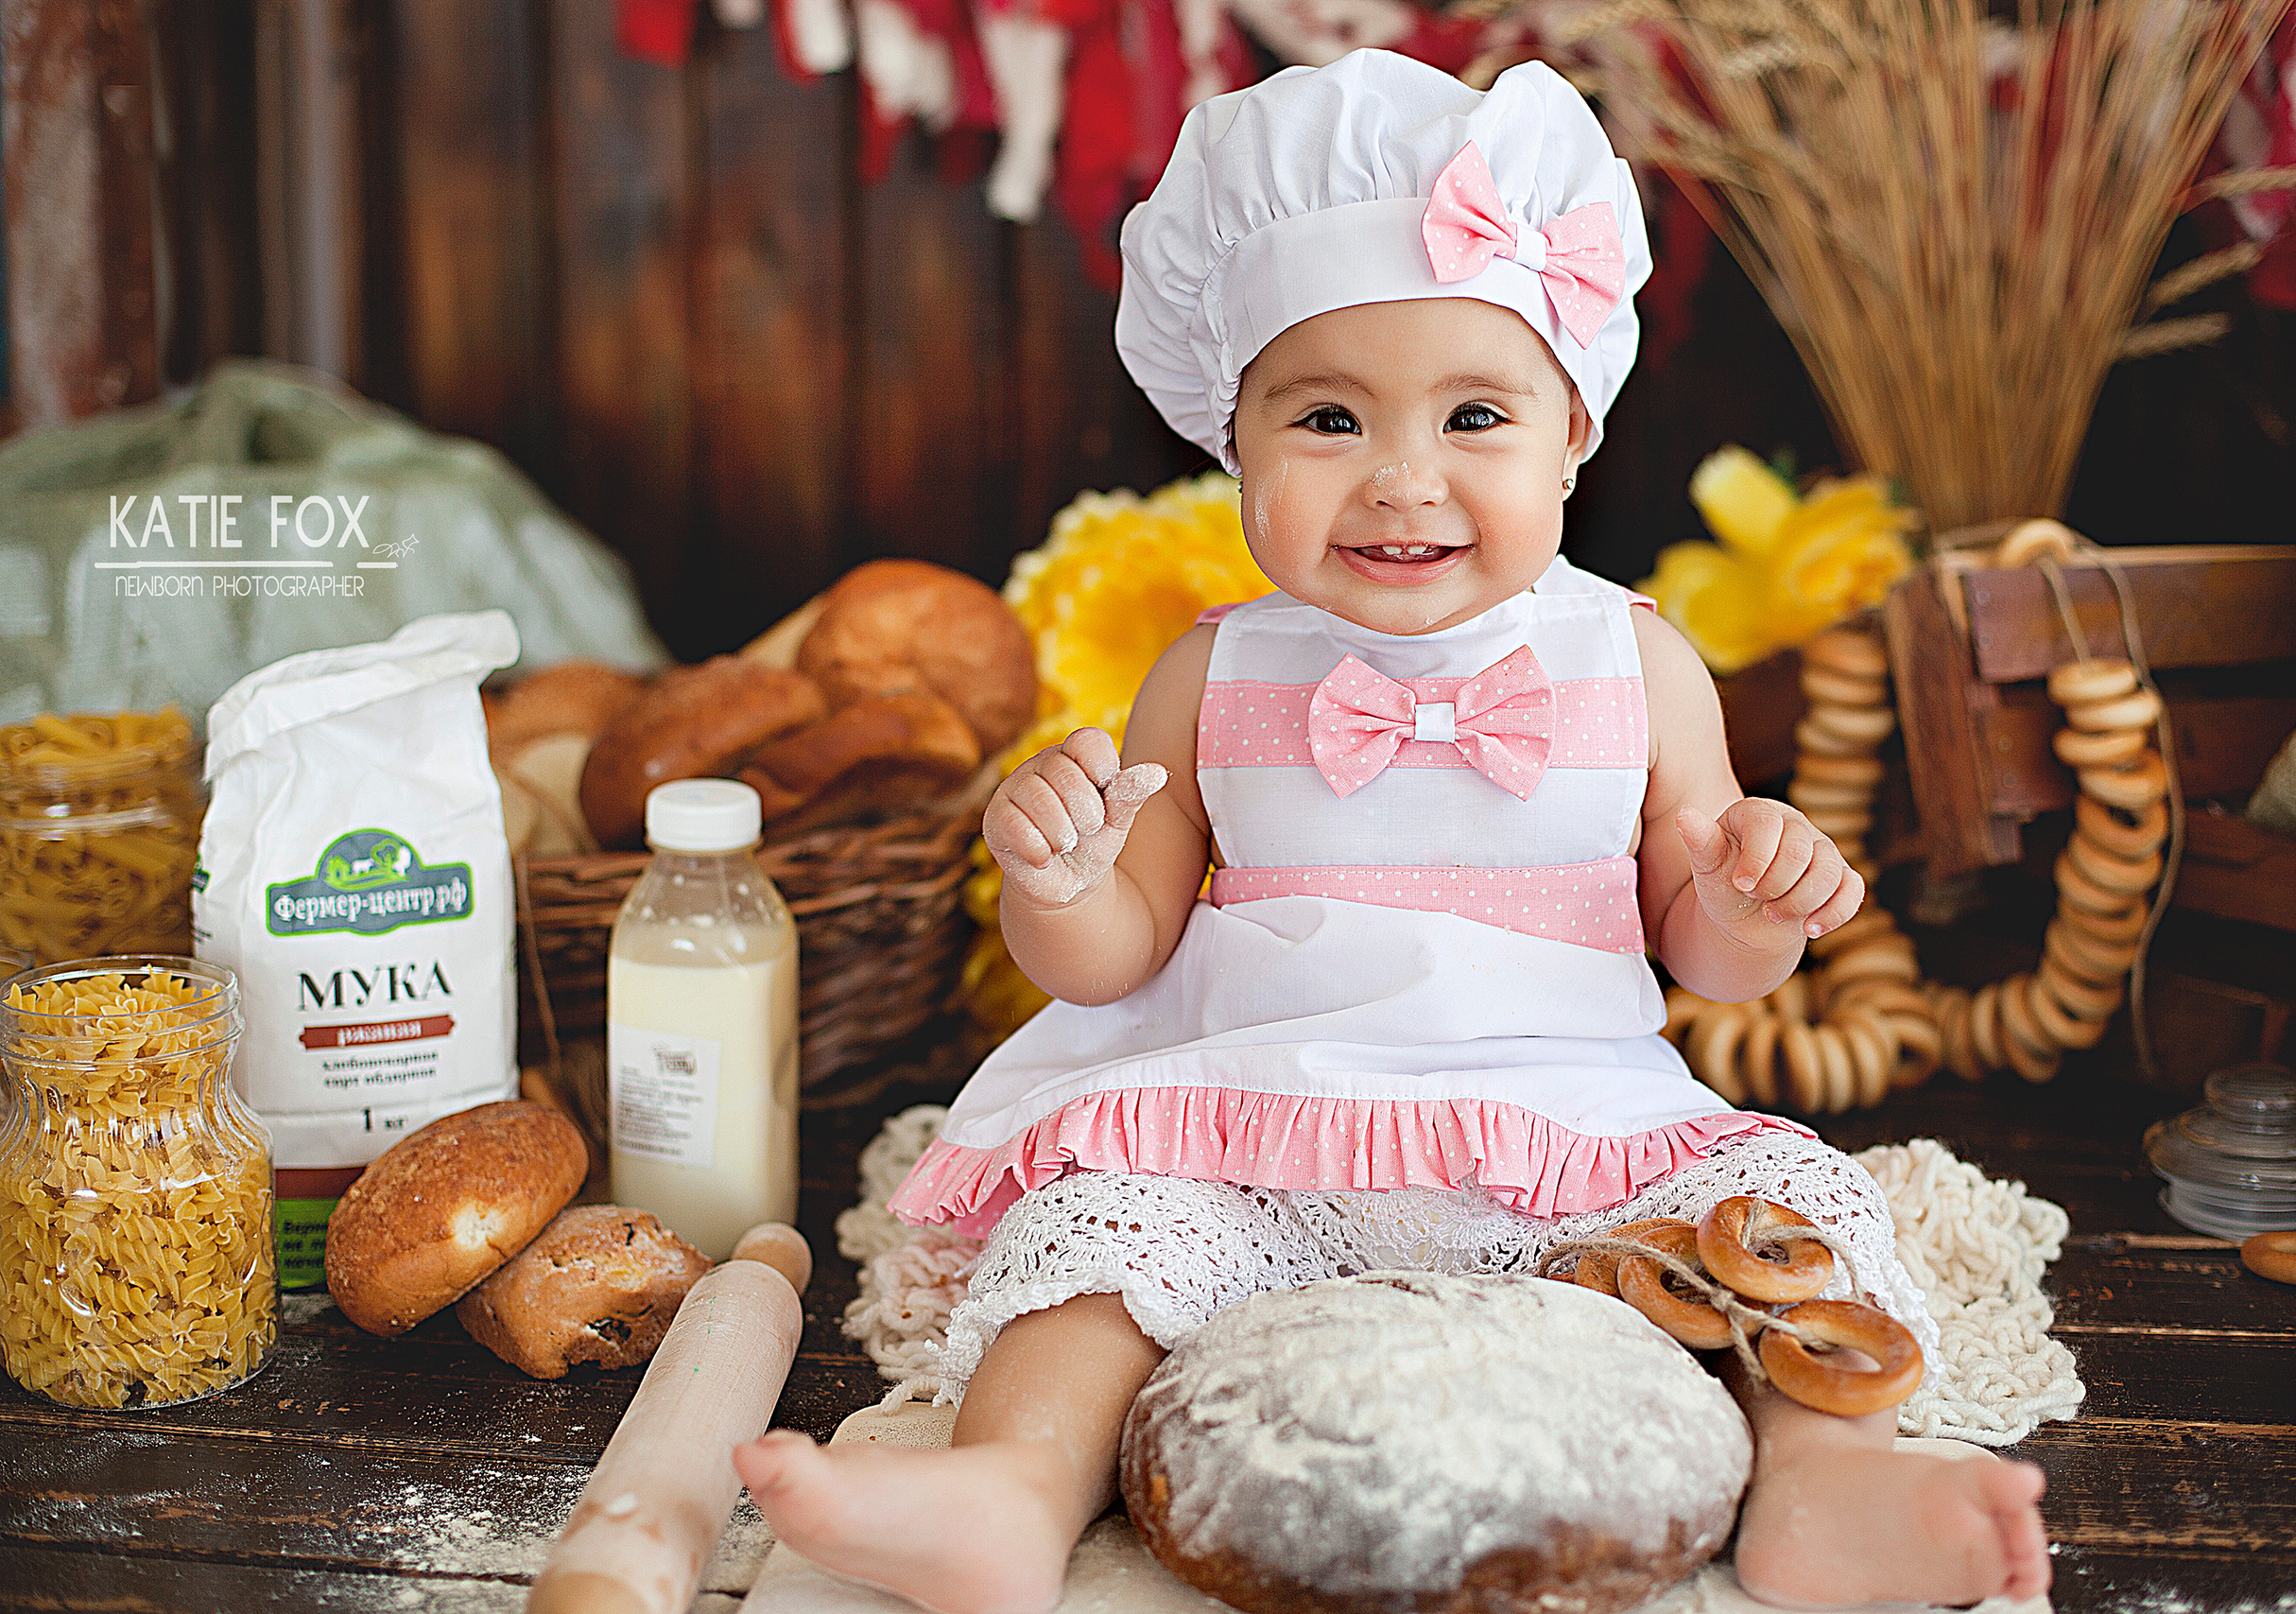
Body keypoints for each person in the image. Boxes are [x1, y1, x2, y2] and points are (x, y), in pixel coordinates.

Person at [737, 49, 2050, 1613]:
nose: (1403, 482)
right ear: (1236, 445)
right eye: (1330, 419)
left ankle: (1827, 1502)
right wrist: (1060, 879)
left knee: (1793, 1227)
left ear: (1574, 431)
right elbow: (1111, 959)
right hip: (1262, 1128)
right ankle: (1010, 1495)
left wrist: (1758, 899)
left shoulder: (1630, 658)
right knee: (1098, 1245)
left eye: (1476, 415)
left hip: (1565, 1127)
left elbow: (1705, 953)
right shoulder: (1211, 670)